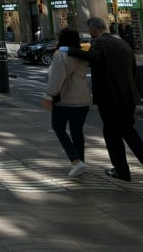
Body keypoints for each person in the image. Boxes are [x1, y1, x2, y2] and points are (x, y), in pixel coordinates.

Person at [64, 16, 143, 183]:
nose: (90, 33)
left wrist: (70, 51)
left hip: (110, 97)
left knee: (112, 135)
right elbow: (133, 70)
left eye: (90, 30)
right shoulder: (123, 43)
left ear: (94, 30)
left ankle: (121, 170)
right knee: (129, 132)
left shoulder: (99, 43)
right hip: (128, 97)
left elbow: (93, 57)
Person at [41, 27, 91, 177]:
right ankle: (80, 161)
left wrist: (48, 95)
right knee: (77, 131)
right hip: (83, 99)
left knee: (58, 127)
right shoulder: (81, 55)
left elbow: (56, 80)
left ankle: (76, 161)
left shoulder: (60, 55)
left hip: (65, 100)